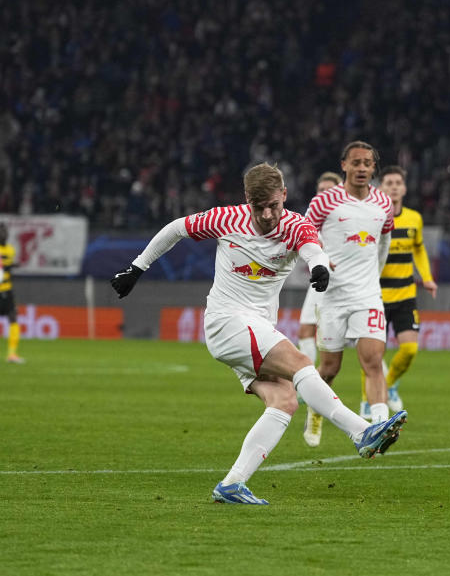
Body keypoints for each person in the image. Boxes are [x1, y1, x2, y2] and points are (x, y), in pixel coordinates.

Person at [110, 162, 407, 505]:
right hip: (227, 321)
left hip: (256, 327)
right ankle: (361, 431)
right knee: (299, 362)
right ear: (247, 199)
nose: (267, 214)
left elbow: (313, 248)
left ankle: (232, 484)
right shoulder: (226, 218)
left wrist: (320, 267)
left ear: (284, 195)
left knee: (284, 399)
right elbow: (176, 228)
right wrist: (137, 268)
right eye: (259, 206)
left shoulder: (296, 225)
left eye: (274, 206)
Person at [301, 141, 395, 447]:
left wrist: (374, 278)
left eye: (367, 163)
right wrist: (317, 261)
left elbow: (384, 242)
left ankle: (381, 427)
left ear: (373, 167)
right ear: (344, 165)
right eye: (356, 163)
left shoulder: (383, 203)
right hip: (332, 297)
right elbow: (304, 234)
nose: (362, 168)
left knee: (373, 360)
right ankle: (316, 412)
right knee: (329, 368)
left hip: (367, 295)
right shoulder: (324, 202)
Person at [356, 165, 438, 419]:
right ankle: (366, 401)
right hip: (376, 296)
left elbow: (419, 250)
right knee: (372, 353)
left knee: (410, 350)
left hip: (405, 295)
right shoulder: (372, 217)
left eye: (397, 183)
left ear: (403, 188)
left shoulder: (414, 218)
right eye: (388, 182)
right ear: (380, 188)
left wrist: (427, 277)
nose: (393, 187)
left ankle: (388, 383)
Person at [298, 172, 343, 444]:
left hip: (351, 291)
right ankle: (311, 391)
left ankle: (377, 403)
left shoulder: (350, 215)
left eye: (330, 189)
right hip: (321, 285)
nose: (324, 193)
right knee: (306, 332)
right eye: (320, 188)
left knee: (369, 351)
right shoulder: (313, 217)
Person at [0, 223, 25, 363]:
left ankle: (12, 354)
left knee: (13, 317)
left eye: (5, 231)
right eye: (1, 231)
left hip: (7, 290)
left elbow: (5, 270)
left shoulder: (11, 250)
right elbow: (3, 267)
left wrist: (11, 268)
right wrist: (11, 266)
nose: (4, 234)